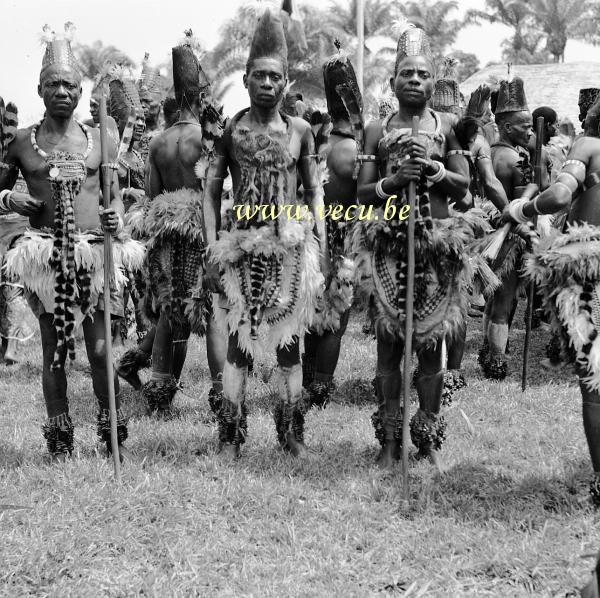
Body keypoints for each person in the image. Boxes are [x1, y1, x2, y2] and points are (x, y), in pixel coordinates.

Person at [0, 23, 144, 461]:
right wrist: (12, 197)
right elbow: (1, 188)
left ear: (80, 92)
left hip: (93, 253)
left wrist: (116, 213)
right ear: (40, 90)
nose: (62, 90)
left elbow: (113, 192)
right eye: (53, 84)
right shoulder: (23, 142)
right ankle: (60, 441)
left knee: (101, 351)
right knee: (55, 351)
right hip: (46, 255)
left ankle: (111, 434)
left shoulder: (101, 137)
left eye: (69, 84)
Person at [203, 9, 327, 459]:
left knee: (289, 348)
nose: (268, 85)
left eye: (276, 77)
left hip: (291, 252)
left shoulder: (301, 132)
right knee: (239, 346)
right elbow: (211, 194)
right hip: (239, 251)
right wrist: (212, 252)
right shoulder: (231, 131)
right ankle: (229, 438)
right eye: (259, 76)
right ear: (246, 79)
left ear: (287, 80)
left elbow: (314, 194)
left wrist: (325, 251)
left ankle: (292, 435)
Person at [355, 23, 470, 469]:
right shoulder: (375, 129)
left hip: (437, 248)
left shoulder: (448, 128)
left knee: (429, 348)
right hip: (389, 247)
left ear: (433, 80)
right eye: (407, 74)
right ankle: (387, 442)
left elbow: (463, 189)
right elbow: (362, 191)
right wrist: (394, 181)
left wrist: (437, 171)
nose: (416, 81)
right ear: (393, 81)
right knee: (388, 348)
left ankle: (426, 439)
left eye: (423, 74)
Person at [502, 91, 600, 506]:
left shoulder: (589, 146)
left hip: (589, 269)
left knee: (595, 383)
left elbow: (559, 197)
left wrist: (524, 209)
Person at [139, 30, 226, 415]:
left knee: (169, 312)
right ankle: (221, 392)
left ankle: (159, 394)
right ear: (201, 92)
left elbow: (152, 196)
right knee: (210, 309)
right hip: (199, 229)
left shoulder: (159, 142)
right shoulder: (205, 139)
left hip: (165, 232)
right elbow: (215, 190)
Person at [302, 42, 361, 408]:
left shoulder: (315, 139)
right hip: (339, 240)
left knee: (312, 314)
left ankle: (308, 379)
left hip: (307, 236)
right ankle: (321, 389)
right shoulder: (352, 151)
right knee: (334, 319)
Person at [478, 77, 545, 380]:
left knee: (496, 300)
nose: (530, 133)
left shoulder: (488, 151)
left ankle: (487, 351)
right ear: (506, 127)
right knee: (504, 302)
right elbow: (519, 206)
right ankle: (496, 362)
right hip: (509, 238)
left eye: (532, 127)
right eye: (525, 127)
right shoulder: (513, 158)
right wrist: (535, 183)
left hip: (488, 232)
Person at [136, 52, 164, 162]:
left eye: (148, 101)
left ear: (160, 103)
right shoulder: (130, 134)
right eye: (140, 101)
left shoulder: (170, 132)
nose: (143, 105)